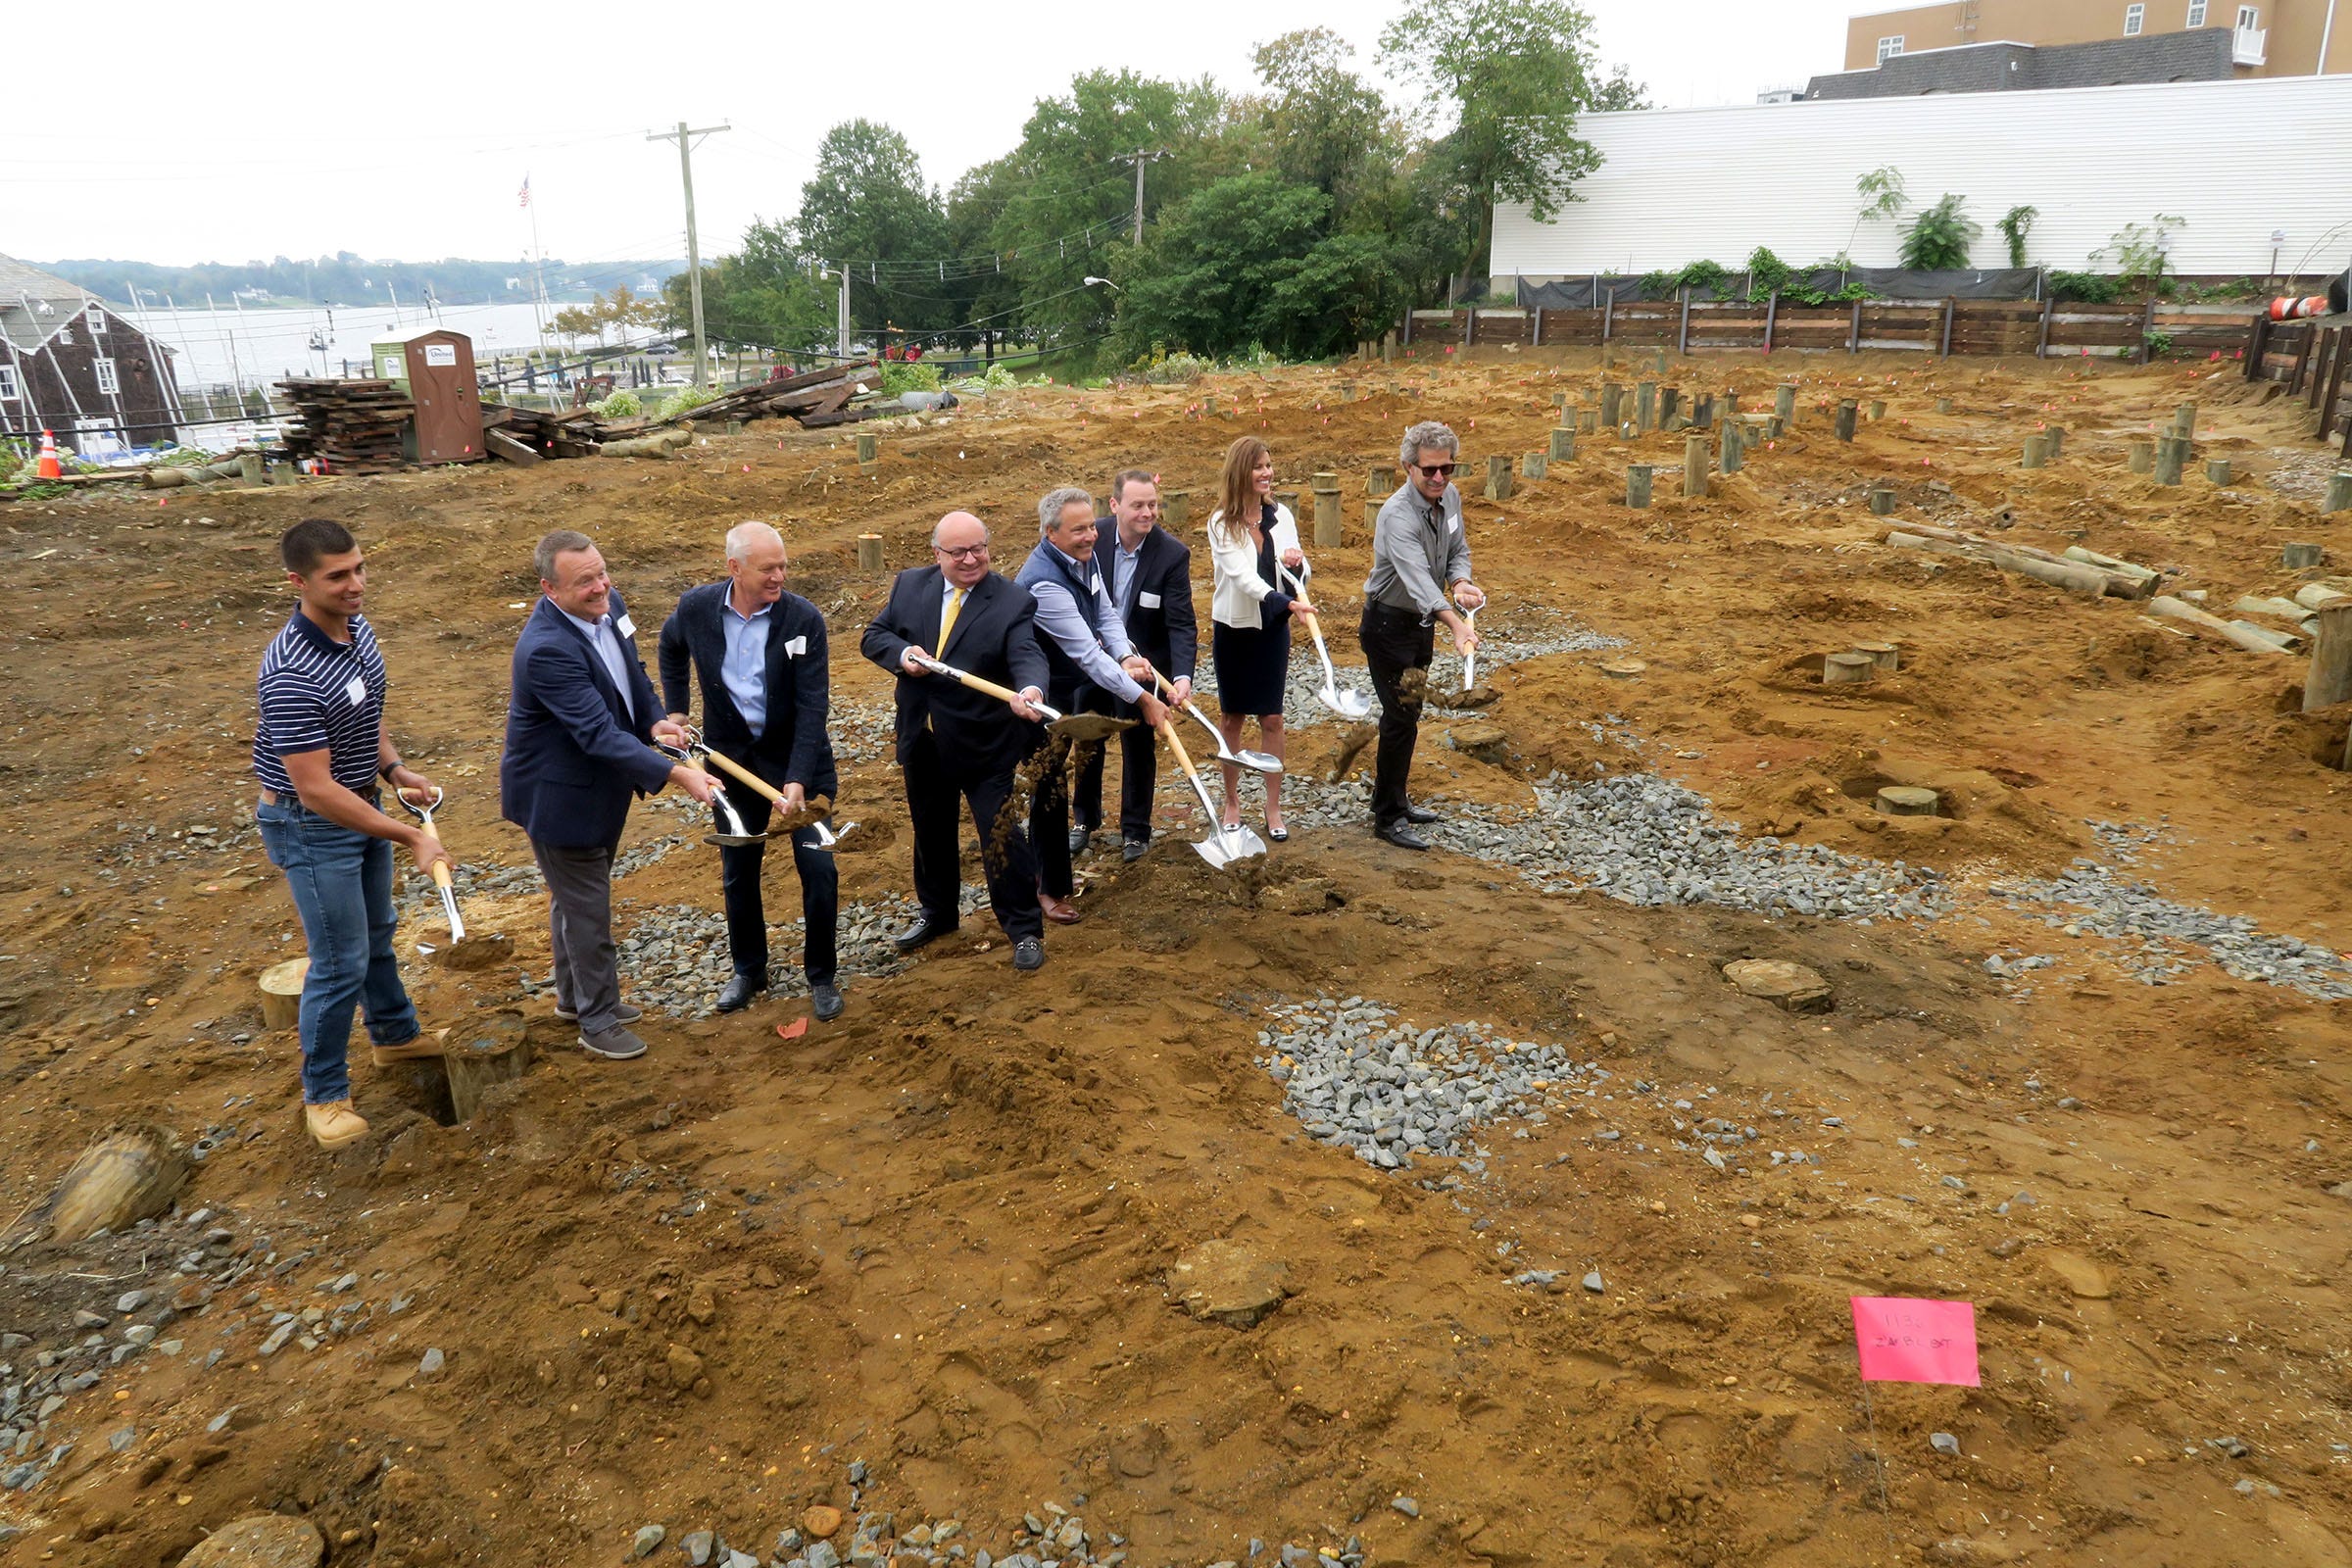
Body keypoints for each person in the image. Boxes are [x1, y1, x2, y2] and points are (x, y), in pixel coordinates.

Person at [252, 518, 452, 1151]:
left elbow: (366, 712)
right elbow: (313, 786)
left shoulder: (357, 630)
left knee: (376, 933)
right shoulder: (289, 669)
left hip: (358, 804)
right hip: (312, 825)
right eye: (337, 576)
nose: (355, 584)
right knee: (337, 963)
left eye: (359, 568)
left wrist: (393, 769)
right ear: (298, 581)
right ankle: (325, 1096)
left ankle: (394, 1037)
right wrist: (409, 835)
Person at [502, 529, 713, 1059]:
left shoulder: (609, 606)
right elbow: (596, 733)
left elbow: (632, 676)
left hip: (600, 789)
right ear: (550, 589)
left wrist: (656, 722)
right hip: (559, 798)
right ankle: (596, 1019)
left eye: (602, 572)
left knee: (575, 901)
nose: (601, 587)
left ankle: (575, 999)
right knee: (588, 909)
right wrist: (677, 774)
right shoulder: (546, 649)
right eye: (585, 582)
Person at [658, 521, 843, 1021]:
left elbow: (812, 707)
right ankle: (749, 968)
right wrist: (675, 710)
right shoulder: (697, 608)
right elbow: (670, 645)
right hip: (732, 763)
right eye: (768, 568)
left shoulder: (803, 619)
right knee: (739, 870)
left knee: (818, 869)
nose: (780, 576)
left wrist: (799, 777)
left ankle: (821, 975)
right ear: (734, 568)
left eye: (784, 565)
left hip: (800, 762)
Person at [860, 512, 1053, 972]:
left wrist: (1032, 690)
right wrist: (903, 655)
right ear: (937, 554)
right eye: (959, 552)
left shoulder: (1011, 601)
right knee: (930, 830)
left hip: (984, 742)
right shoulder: (910, 585)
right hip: (923, 737)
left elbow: (1027, 654)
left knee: (1000, 833)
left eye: (979, 549)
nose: (971, 559)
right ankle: (938, 914)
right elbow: (875, 636)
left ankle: (1024, 929)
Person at [1015, 487, 1169, 918]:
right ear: (1051, 534)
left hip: (1064, 683)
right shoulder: (1043, 582)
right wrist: (1143, 699)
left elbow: (1105, 616)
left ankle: (1051, 875)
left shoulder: (1085, 557)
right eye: (1078, 529)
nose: (1089, 536)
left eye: (1090, 526)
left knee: (1055, 783)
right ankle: (1046, 888)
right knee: (1048, 784)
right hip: (1037, 689)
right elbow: (1086, 652)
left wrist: (1126, 654)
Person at [1362, 420, 1486, 851]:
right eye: (1429, 470)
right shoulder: (1396, 515)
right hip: (1387, 625)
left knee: (1408, 716)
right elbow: (1416, 577)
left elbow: (1456, 550)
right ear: (1407, 467)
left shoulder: (1448, 497)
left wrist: (1462, 582)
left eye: (1447, 469)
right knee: (1399, 718)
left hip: (1419, 625)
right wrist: (1455, 623)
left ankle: (1395, 798)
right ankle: (1387, 818)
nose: (1439, 478)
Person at [1073, 469, 1197, 862]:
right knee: (1088, 738)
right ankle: (1084, 822)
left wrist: (1181, 676)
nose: (1148, 513)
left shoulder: (1171, 554)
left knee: (1139, 746)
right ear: (1114, 506)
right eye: (1138, 505)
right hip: (1094, 661)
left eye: (1153, 505)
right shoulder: (1092, 540)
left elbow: (1181, 622)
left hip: (1144, 668)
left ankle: (1135, 831)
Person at [1205, 437, 1313, 840]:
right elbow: (1241, 576)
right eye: (1258, 467)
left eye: (1269, 465)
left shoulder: (1281, 515)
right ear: (1240, 474)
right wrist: (1282, 601)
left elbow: (1299, 570)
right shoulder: (1221, 523)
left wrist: (1298, 566)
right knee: (1232, 716)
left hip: (1273, 628)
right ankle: (1232, 802)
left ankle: (1273, 807)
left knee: (1272, 717)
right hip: (1234, 628)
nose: (1267, 473)